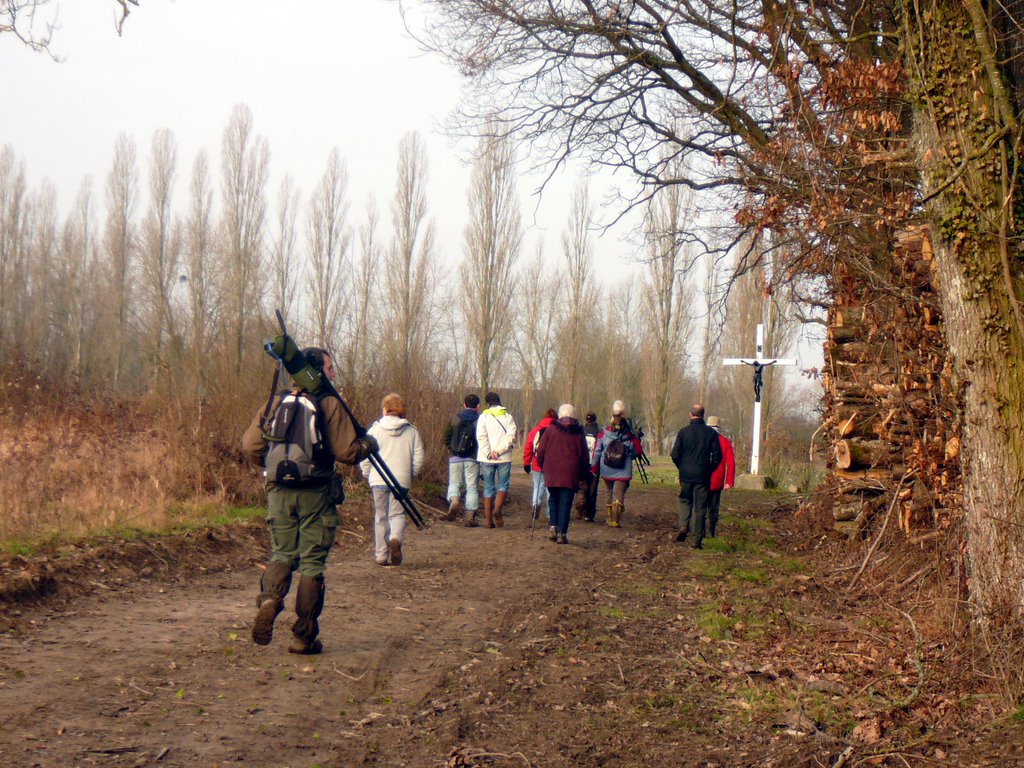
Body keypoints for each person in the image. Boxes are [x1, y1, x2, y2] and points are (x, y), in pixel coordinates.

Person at [241, 347, 377, 655]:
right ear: (316, 371)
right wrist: (368, 443)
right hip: (316, 493)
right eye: (330, 368)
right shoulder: (329, 403)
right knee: (313, 564)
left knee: (281, 554)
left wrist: (274, 464)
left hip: (278, 492)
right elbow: (347, 452)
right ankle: (303, 636)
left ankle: (270, 600)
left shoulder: (275, 401)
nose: (332, 374)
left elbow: (250, 445)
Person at [360, 393, 425, 566]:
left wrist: (367, 473)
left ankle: (381, 555)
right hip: (401, 479)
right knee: (397, 514)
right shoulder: (412, 431)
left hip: (378, 478)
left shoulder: (374, 430)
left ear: (385, 409)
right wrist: (411, 474)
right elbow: (418, 457)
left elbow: (365, 455)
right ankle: (395, 538)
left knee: (380, 517)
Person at [670, 403, 723, 549]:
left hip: (686, 474)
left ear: (690, 414)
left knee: (685, 500)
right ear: (703, 415)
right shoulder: (711, 434)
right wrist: (709, 469)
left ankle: (683, 525)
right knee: (700, 507)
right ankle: (696, 539)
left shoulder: (683, 432)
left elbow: (674, 454)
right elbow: (718, 456)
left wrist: (681, 467)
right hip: (702, 475)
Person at [536, 403, 590, 544]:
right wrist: (584, 474)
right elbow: (584, 454)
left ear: (560, 415)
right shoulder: (578, 432)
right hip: (570, 472)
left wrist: (541, 464)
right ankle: (562, 533)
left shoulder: (551, 429)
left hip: (552, 470)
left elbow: (541, 450)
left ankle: (553, 527)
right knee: (565, 502)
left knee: (553, 499)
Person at [591, 400, 641, 527]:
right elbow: (636, 451)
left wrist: (594, 466)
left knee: (609, 491)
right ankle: (615, 518)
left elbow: (597, 451)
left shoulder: (604, 433)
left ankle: (610, 516)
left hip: (607, 467)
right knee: (618, 493)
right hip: (623, 469)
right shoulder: (629, 433)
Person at [476, 391, 517, 528]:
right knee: (503, 485)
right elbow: (511, 436)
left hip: (487, 458)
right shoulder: (508, 417)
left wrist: (489, 453)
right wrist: (499, 451)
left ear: (487, 403)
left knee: (488, 488)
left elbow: (481, 436)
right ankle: (498, 510)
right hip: (504, 457)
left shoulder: (483, 417)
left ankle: (488, 522)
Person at [442, 393, 481, 526]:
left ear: (464, 405)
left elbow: (446, 437)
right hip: (473, 458)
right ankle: (470, 516)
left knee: (454, 483)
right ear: (478, 406)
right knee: (472, 488)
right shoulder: (480, 420)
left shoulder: (455, 418)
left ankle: (454, 501)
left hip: (455, 457)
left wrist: (451, 450)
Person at [524, 408, 557, 524]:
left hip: (537, 463)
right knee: (550, 490)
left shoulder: (535, 430)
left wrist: (526, 462)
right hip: (552, 465)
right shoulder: (557, 430)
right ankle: (549, 513)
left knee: (538, 486)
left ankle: (536, 504)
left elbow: (528, 446)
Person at [706, 416, 736, 538]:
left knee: (700, 505)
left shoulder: (703, 439)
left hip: (701, 478)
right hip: (717, 479)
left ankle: (699, 530)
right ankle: (711, 531)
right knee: (714, 507)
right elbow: (731, 463)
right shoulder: (725, 442)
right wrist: (729, 481)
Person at [574, 411, 601, 521]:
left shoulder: (580, 431)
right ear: (595, 419)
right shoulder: (599, 432)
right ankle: (589, 514)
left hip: (582, 463)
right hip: (595, 464)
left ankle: (581, 504)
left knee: (581, 487)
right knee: (592, 489)